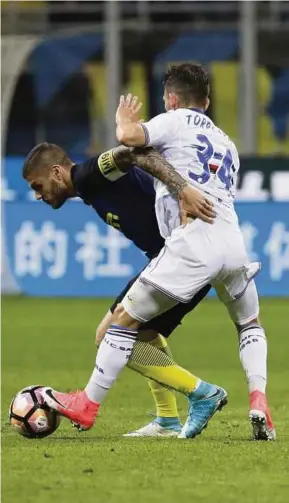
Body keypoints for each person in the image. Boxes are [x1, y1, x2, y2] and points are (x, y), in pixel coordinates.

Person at [42, 63, 275, 441]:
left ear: (170, 99)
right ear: (208, 101)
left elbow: (130, 141)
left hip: (191, 244)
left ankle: (88, 404)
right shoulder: (227, 142)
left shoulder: (174, 121)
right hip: (232, 242)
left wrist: (123, 120)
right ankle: (259, 399)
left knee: (121, 326)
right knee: (249, 324)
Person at [23, 141, 216, 438]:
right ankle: (167, 420)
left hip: (182, 260)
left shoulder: (90, 174)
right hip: (168, 258)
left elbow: (129, 154)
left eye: (38, 185)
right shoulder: (89, 188)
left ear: (57, 172)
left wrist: (178, 187)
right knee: (141, 333)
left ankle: (201, 393)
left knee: (113, 335)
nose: (38, 195)